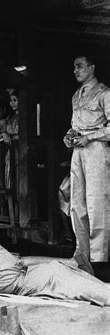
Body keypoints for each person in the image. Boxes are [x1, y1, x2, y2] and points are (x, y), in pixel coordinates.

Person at [63, 56, 109, 268]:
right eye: (74, 67)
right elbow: (77, 125)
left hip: (96, 151)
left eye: (79, 66)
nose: (75, 70)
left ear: (92, 67)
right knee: (77, 203)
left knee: (96, 203)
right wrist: (70, 135)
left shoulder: (104, 93)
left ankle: (99, 259)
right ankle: (82, 255)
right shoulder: (76, 96)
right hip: (78, 151)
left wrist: (89, 137)